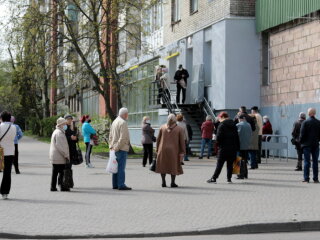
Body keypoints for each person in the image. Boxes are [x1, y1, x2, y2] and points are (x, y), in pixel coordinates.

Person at [207, 112, 240, 184]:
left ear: (222, 117)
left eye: (219, 118)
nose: (218, 119)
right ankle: (229, 179)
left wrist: (218, 144)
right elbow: (237, 137)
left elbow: (218, 137)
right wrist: (237, 147)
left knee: (219, 164)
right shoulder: (234, 125)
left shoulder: (221, 125)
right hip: (232, 148)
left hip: (223, 148)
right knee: (230, 164)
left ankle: (214, 178)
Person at [156, 114, 186, 187]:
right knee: (173, 166)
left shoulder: (162, 127)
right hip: (174, 150)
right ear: (175, 119)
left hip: (162, 149)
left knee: (162, 166)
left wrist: (157, 149)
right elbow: (182, 141)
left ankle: (163, 182)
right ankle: (172, 182)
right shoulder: (179, 129)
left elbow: (158, 139)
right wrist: (183, 151)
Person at [109, 108, 132, 190]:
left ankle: (115, 184)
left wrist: (111, 146)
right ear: (125, 114)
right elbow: (123, 138)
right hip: (121, 148)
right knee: (121, 168)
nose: (128, 116)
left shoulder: (114, 121)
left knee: (115, 167)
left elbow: (110, 135)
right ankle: (121, 184)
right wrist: (117, 147)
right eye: (127, 114)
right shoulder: (123, 122)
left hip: (114, 147)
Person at [49, 117, 70, 192]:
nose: (65, 125)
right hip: (59, 156)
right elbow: (62, 147)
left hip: (55, 155)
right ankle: (62, 186)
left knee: (55, 172)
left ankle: (53, 187)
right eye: (64, 124)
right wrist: (66, 155)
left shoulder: (56, 131)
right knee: (61, 172)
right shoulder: (60, 133)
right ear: (61, 125)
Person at [299, 108, 320, 183]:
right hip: (315, 145)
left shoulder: (305, 122)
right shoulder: (318, 122)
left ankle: (306, 178)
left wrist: (301, 143)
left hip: (306, 145)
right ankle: (315, 178)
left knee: (307, 162)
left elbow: (302, 134)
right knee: (315, 162)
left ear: (309, 113)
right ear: (314, 113)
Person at [0, 111, 17, 200]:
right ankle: (5, 192)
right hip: (10, 152)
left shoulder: (0, 126)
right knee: (7, 173)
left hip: (0, 152)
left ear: (1, 118)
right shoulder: (14, 127)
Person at [236, 115, 252, 179]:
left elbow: (236, 135)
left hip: (239, 145)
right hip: (246, 145)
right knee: (244, 160)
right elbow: (251, 134)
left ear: (240, 119)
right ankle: (245, 174)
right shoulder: (248, 125)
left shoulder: (238, 125)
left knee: (238, 160)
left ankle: (240, 174)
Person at [64, 115, 78, 187]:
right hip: (67, 149)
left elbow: (76, 138)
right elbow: (63, 137)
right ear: (65, 120)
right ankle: (67, 182)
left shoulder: (73, 127)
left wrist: (75, 137)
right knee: (67, 167)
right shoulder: (64, 127)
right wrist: (70, 137)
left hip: (72, 149)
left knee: (69, 166)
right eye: (68, 119)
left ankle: (70, 182)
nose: (70, 120)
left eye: (71, 119)